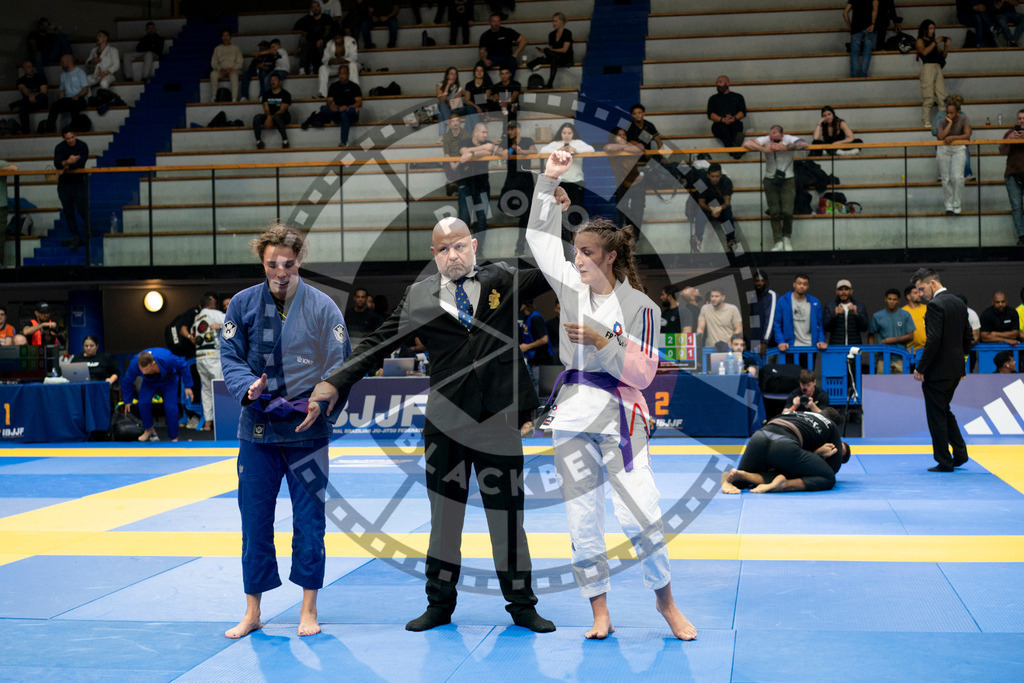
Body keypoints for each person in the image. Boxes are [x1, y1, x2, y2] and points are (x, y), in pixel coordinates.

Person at [300, 216, 556, 635]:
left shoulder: (506, 278)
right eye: (443, 249)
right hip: (445, 424)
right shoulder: (418, 296)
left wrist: (550, 200)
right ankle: (439, 605)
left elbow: (551, 266)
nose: (452, 255)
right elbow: (376, 344)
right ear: (433, 254)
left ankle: (522, 605)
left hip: (498, 421)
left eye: (459, 246)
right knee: (444, 519)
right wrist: (332, 380)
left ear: (473, 245)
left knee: (508, 518)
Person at [523, 149, 697, 641]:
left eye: (586, 253)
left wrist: (604, 340)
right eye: (575, 251)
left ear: (611, 257)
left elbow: (643, 373)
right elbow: (539, 240)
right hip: (574, 415)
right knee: (582, 519)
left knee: (641, 515)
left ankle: (666, 603)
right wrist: (547, 182)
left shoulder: (640, 306)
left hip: (623, 419)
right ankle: (599, 611)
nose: (576, 259)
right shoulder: (571, 290)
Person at [219, 224, 350, 639]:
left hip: (306, 428)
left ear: (299, 263)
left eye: (288, 265)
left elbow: (338, 362)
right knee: (254, 520)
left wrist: (321, 399)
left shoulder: (322, 306)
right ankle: (252, 610)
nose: (280, 272)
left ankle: (308, 609)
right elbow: (230, 355)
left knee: (309, 521)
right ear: (263, 262)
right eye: (272, 264)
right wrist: (246, 387)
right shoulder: (241, 304)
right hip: (256, 428)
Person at [912, 267, 973, 472]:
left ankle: (944, 461)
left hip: (938, 371)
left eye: (921, 289)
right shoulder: (958, 302)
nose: (920, 295)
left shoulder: (936, 305)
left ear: (932, 283)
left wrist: (921, 367)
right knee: (944, 410)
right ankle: (961, 453)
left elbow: (934, 340)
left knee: (936, 415)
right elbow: (968, 337)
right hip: (955, 370)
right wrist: (962, 365)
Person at [721, 406, 850, 494]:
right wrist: (818, 454)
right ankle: (785, 485)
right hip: (784, 446)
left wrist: (815, 453)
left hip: (758, 438)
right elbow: (831, 469)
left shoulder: (797, 413)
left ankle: (738, 475)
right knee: (828, 477)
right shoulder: (831, 426)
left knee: (741, 483)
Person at [743, 125, 808, 252]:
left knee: (788, 211)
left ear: (782, 135)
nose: (774, 141)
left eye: (776, 139)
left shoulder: (788, 139)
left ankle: (786, 237)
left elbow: (803, 144)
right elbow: (747, 144)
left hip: (787, 179)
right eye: (772, 139)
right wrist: (763, 149)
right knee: (774, 211)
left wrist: (785, 147)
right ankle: (778, 240)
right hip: (770, 179)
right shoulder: (766, 140)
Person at [120, 348, 194, 442]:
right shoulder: (134, 363)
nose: (143, 372)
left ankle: (174, 436)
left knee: (171, 408)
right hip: (149, 382)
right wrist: (127, 400)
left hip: (169, 381)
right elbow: (127, 381)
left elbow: (183, 366)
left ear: (153, 363)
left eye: (146, 369)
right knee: (142, 403)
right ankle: (149, 429)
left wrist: (188, 386)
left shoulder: (166, 358)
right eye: (141, 369)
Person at [539, 123, 596, 221]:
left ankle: (576, 234)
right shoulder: (556, 143)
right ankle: (562, 235)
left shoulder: (578, 142)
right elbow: (542, 151)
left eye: (569, 133)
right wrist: (558, 150)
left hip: (576, 180)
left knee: (577, 208)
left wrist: (576, 150)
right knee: (560, 209)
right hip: (560, 182)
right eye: (564, 132)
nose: (566, 135)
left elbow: (591, 149)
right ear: (560, 133)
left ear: (573, 133)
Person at [497, 120, 537, 255]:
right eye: (508, 129)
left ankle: (519, 247)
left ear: (518, 130)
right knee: (502, 204)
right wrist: (512, 148)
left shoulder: (527, 140)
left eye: (512, 129)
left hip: (526, 179)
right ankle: (519, 211)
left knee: (526, 216)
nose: (510, 132)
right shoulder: (506, 141)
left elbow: (534, 151)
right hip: (512, 178)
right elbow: (502, 154)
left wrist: (522, 151)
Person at [458, 122, 498, 241]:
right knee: (464, 220)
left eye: (486, 132)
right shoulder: (464, 141)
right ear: (475, 132)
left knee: (481, 219)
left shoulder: (488, 143)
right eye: (483, 132)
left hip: (482, 187)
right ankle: (464, 251)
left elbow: (490, 149)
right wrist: (477, 151)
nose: (485, 135)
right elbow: (463, 151)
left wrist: (472, 153)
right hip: (466, 186)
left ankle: (478, 251)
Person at [190, 292, 224, 431]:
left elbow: (193, 335)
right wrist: (221, 327)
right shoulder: (213, 314)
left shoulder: (197, 319)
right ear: (212, 304)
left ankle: (208, 423)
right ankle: (222, 422)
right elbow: (233, 322)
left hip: (200, 357)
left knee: (207, 390)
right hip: (213, 355)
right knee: (220, 387)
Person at [604, 126, 645, 233]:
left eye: (624, 135)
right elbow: (608, 148)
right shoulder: (611, 146)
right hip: (621, 184)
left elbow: (640, 147)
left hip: (637, 183)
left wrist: (624, 147)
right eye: (619, 135)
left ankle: (636, 238)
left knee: (637, 212)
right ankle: (625, 237)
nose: (623, 137)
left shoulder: (631, 144)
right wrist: (625, 147)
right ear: (613, 137)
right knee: (623, 211)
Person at [936, 95, 972, 216]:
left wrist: (954, 138)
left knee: (957, 177)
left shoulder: (964, 118)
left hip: (959, 148)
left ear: (957, 112)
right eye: (947, 112)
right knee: (945, 178)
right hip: (944, 149)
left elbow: (967, 135)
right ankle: (948, 205)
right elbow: (940, 137)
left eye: (951, 113)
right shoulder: (941, 120)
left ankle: (957, 203)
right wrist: (949, 124)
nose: (948, 115)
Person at [309, 64, 361, 147]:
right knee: (323, 108)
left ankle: (343, 142)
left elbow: (359, 103)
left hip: (351, 110)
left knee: (345, 113)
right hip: (338, 110)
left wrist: (348, 107)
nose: (341, 76)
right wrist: (332, 105)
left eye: (343, 73)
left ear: (348, 74)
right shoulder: (334, 86)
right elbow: (329, 101)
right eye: (340, 74)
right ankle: (340, 113)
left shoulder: (354, 87)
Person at [54, 128, 89, 250]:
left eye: (72, 137)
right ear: (64, 138)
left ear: (75, 135)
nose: (70, 140)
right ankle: (75, 237)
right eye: (67, 138)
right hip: (64, 185)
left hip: (78, 183)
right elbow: (56, 163)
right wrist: (67, 162)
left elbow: (81, 163)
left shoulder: (82, 145)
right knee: (68, 212)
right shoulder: (59, 147)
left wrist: (64, 166)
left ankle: (89, 233)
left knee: (82, 209)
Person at [773, 274, 827, 352]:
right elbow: (777, 324)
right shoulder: (783, 301)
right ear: (794, 285)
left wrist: (821, 340)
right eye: (799, 283)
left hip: (811, 347)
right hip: (789, 347)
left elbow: (820, 324)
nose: (802, 286)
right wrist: (780, 341)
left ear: (808, 286)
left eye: (805, 284)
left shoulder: (814, 302)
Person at [691, 162, 736, 253]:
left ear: (721, 175)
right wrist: (711, 209)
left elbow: (727, 202)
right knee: (700, 214)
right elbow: (701, 202)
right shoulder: (702, 182)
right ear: (708, 175)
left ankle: (731, 241)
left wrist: (719, 209)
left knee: (728, 215)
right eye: (712, 176)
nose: (715, 179)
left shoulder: (726, 181)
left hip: (722, 207)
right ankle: (698, 239)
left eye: (717, 176)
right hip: (707, 207)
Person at [869, 288, 915, 372]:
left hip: (901, 357)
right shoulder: (877, 316)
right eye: (889, 299)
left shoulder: (905, 315)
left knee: (902, 384)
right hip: (883, 358)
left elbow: (911, 336)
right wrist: (873, 353)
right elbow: (871, 335)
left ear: (898, 301)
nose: (891, 301)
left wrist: (893, 340)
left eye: (894, 299)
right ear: (885, 299)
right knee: (881, 384)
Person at [526, 12, 574, 89]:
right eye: (553, 21)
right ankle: (550, 84)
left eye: (555, 21)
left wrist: (548, 50)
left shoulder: (567, 33)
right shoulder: (551, 34)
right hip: (555, 57)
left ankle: (540, 61)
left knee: (550, 54)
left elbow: (564, 50)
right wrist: (546, 50)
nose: (553, 23)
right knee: (553, 58)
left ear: (561, 21)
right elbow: (551, 50)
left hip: (565, 57)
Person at [916, 20, 950, 128]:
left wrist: (946, 46)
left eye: (933, 28)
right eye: (930, 28)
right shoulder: (920, 40)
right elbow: (924, 52)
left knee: (942, 95)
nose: (932, 31)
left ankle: (943, 120)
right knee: (928, 96)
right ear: (925, 29)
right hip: (928, 68)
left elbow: (942, 56)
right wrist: (935, 42)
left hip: (937, 67)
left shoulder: (932, 41)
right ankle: (926, 120)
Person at [999, 108, 1024, 246]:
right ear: (1016, 120)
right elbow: (1001, 151)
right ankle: (1022, 236)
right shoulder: (1010, 133)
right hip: (1012, 174)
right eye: (1019, 119)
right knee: (1016, 207)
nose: (1021, 122)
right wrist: (1009, 140)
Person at [46, 54, 89, 132]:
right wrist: (60, 97)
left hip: (80, 99)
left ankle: (74, 127)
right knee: (54, 105)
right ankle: (49, 129)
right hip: (69, 99)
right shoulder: (63, 75)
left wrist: (78, 95)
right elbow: (62, 90)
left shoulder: (80, 72)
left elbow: (85, 90)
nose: (60, 64)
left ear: (68, 61)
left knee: (74, 104)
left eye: (62, 62)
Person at [707, 75, 746, 158]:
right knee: (723, 130)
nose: (718, 84)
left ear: (727, 83)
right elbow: (711, 115)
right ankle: (735, 151)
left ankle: (734, 150)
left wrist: (734, 118)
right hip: (719, 124)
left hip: (734, 122)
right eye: (717, 82)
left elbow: (742, 112)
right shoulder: (713, 99)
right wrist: (722, 119)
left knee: (737, 126)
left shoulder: (738, 97)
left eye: (720, 82)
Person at [478, 13, 527, 77]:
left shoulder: (507, 31)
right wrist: (485, 60)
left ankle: (509, 84)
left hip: (507, 57)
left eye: (498, 21)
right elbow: (481, 51)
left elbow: (524, 40)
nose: (496, 23)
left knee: (513, 62)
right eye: (494, 21)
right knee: (479, 65)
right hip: (492, 59)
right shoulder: (485, 35)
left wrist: (516, 53)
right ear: (489, 23)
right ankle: (489, 85)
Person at [518, 299, 551, 395]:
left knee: (542, 393)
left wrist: (527, 347)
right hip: (532, 359)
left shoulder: (535, 318)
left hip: (542, 360)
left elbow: (544, 339)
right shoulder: (525, 318)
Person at [823, 279, 869, 345]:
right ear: (836, 291)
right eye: (840, 289)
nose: (843, 292)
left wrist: (857, 314)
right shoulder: (830, 306)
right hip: (836, 347)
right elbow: (826, 328)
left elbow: (865, 328)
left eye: (846, 289)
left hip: (854, 346)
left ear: (851, 291)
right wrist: (834, 315)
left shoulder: (859, 306)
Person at [253, 74, 292, 150]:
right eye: (271, 80)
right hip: (269, 116)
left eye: (275, 80)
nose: (272, 82)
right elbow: (266, 109)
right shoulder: (266, 94)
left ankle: (285, 141)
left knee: (277, 117)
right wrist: (269, 116)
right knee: (257, 118)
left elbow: (282, 110)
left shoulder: (286, 94)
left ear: (280, 82)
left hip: (283, 116)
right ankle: (258, 141)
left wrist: (271, 117)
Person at [295, 1, 337, 72]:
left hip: (325, 41)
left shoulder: (326, 18)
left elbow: (328, 31)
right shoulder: (308, 20)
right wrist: (299, 47)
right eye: (313, 7)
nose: (315, 8)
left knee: (321, 46)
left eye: (317, 6)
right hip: (312, 42)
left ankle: (324, 68)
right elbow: (304, 35)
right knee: (304, 47)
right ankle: (302, 69)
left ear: (320, 7)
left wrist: (322, 40)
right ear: (311, 9)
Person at [844, 0, 879, 78]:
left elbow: (845, 12)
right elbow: (875, 10)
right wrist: (873, 23)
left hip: (856, 28)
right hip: (869, 27)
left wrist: (849, 26)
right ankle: (863, 75)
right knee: (867, 52)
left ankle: (854, 75)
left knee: (854, 53)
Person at [317, 32, 357, 98]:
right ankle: (323, 94)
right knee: (322, 68)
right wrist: (330, 61)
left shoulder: (350, 41)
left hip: (348, 65)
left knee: (353, 65)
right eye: (336, 39)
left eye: (339, 38)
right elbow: (324, 59)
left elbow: (354, 57)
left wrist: (344, 60)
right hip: (336, 67)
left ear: (342, 37)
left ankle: (354, 92)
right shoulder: (329, 43)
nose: (338, 40)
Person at [13, 60, 48, 135]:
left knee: (41, 96)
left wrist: (33, 96)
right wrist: (32, 95)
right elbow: (25, 91)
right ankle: (26, 131)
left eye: (32, 66)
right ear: (24, 69)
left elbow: (43, 92)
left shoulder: (40, 78)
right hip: (29, 103)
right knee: (23, 106)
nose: (31, 69)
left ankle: (18, 103)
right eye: (28, 67)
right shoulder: (20, 80)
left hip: (40, 101)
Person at [210, 29, 243, 102]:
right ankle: (214, 96)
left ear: (230, 37)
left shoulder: (236, 48)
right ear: (221, 37)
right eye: (224, 36)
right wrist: (220, 69)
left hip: (233, 70)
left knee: (234, 75)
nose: (225, 38)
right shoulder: (217, 48)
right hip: (221, 70)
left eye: (227, 35)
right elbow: (214, 63)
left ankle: (234, 98)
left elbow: (240, 63)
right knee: (213, 74)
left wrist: (231, 69)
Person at [436, 67, 469, 136]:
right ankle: (448, 127)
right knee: (441, 106)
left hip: (456, 110)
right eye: (451, 74)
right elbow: (441, 100)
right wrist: (447, 86)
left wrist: (447, 102)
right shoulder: (439, 85)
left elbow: (454, 106)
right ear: (447, 76)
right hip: (445, 110)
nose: (453, 76)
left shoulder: (459, 89)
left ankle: (442, 135)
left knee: (441, 111)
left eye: (455, 74)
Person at [750, 270, 777, 354]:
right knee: (754, 366)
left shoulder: (771, 295)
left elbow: (771, 319)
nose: (759, 283)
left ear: (766, 282)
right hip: (756, 342)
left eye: (761, 281)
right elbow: (753, 321)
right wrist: (753, 340)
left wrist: (765, 341)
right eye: (756, 281)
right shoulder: (753, 296)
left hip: (769, 342)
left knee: (768, 366)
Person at [903, 284, 927, 354]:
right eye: (916, 293)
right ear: (908, 297)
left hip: (927, 349)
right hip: (909, 351)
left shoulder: (927, 309)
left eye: (919, 292)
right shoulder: (903, 312)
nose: (919, 295)